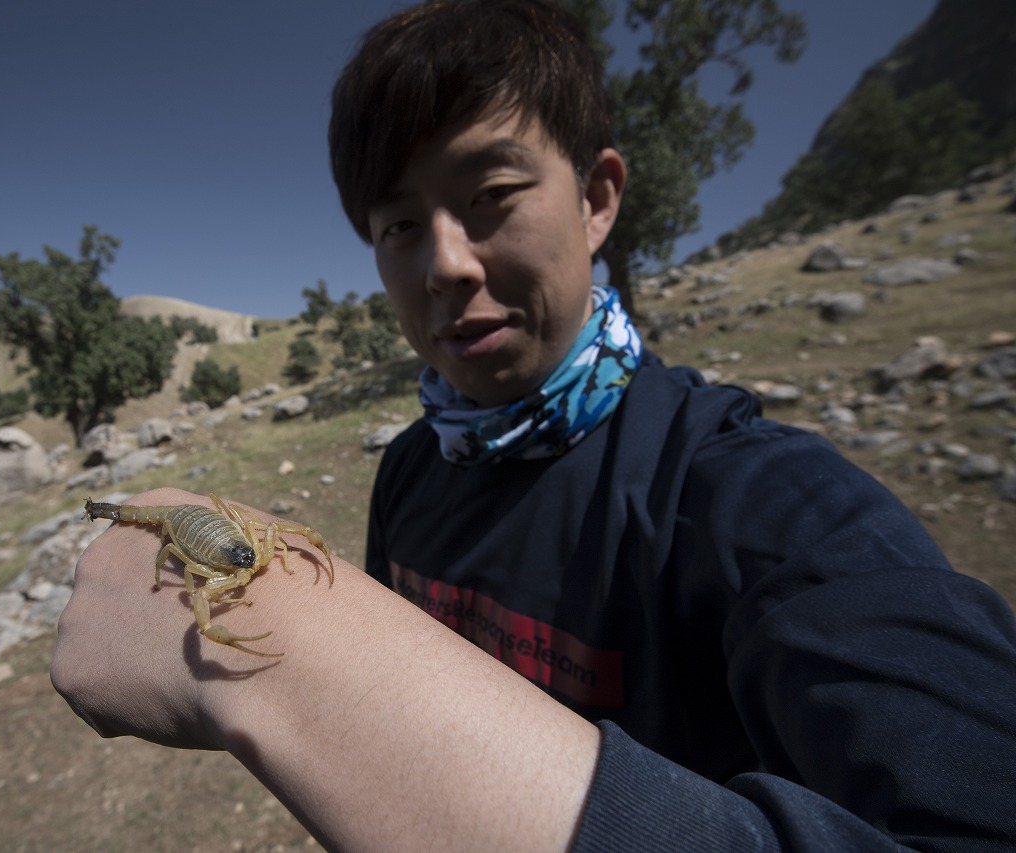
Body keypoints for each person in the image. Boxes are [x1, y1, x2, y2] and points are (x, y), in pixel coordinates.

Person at [51, 1, 1016, 849]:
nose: (445, 265)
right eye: (397, 226)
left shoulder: (763, 505)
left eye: (491, 197)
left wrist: (289, 659)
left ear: (597, 199)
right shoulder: (412, 472)